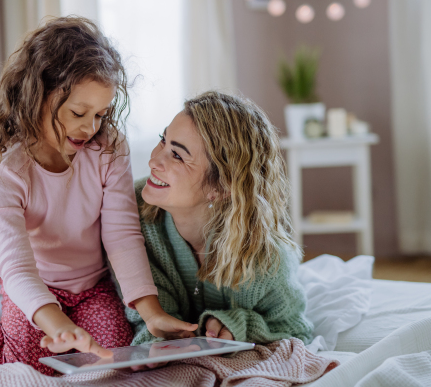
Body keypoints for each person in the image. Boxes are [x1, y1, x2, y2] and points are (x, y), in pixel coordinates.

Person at [0, 16, 196, 376]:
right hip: (33, 286)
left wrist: (151, 312)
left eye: (101, 114)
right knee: (25, 358)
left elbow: (122, 235)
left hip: (92, 284)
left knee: (113, 352)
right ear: (38, 95)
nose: (91, 127)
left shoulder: (109, 150)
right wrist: (55, 322)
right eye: (78, 113)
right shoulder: (5, 175)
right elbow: (17, 269)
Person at [126, 91, 314, 352]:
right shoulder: (127, 213)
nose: (153, 160)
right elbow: (140, 317)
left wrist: (238, 324)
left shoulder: (267, 258)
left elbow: (296, 329)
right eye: (163, 140)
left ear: (221, 187)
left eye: (177, 155)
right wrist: (157, 346)